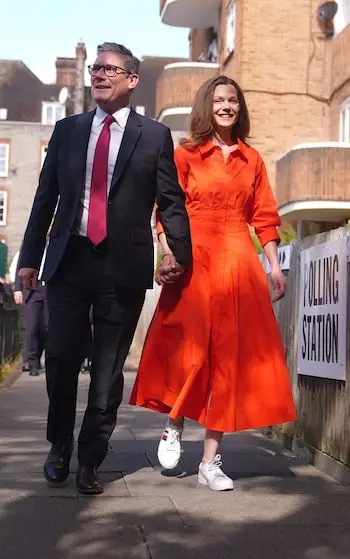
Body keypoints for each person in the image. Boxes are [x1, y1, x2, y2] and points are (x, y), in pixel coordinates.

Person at [18, 42, 192, 495]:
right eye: (96, 68)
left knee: (109, 368)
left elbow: (170, 201)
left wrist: (181, 255)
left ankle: (91, 458)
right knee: (60, 359)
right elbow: (44, 201)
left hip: (123, 266)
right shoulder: (67, 130)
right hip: (70, 259)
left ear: (132, 80)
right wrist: (30, 259)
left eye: (110, 69)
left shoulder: (153, 136)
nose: (99, 75)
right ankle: (59, 446)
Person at [130, 75, 297, 491]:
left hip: (239, 261)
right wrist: (168, 253)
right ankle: (173, 423)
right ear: (208, 106)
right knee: (191, 350)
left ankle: (210, 460)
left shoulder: (252, 159)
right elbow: (165, 210)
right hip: (195, 259)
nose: (227, 106)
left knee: (228, 359)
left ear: (240, 108)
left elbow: (264, 216)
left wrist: (274, 266)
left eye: (233, 101)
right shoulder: (185, 154)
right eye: (220, 100)